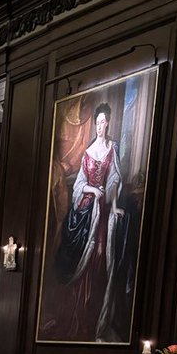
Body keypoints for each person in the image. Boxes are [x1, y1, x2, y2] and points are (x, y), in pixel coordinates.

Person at [54, 102, 126, 341]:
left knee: (102, 257)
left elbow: (115, 180)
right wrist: (93, 191)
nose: (100, 127)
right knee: (87, 256)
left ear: (109, 123)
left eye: (104, 122)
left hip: (104, 213)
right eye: (97, 122)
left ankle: (95, 317)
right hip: (88, 211)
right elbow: (78, 186)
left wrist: (114, 205)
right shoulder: (88, 152)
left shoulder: (112, 149)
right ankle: (79, 314)